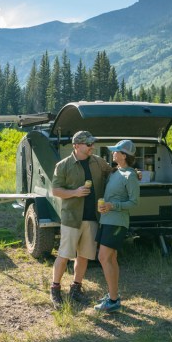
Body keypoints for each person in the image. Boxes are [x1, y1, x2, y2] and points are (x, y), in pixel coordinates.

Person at [50, 130, 112, 308]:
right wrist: (75, 193)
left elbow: (112, 172)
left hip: (92, 218)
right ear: (76, 146)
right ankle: (55, 289)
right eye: (88, 144)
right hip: (71, 219)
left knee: (84, 256)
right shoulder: (63, 165)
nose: (92, 147)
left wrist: (131, 172)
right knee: (64, 255)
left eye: (92, 143)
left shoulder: (98, 162)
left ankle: (76, 288)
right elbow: (56, 191)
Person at [95, 139, 140, 312]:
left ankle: (113, 301)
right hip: (107, 220)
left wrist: (113, 205)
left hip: (117, 222)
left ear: (124, 155)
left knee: (103, 257)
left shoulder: (131, 176)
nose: (113, 153)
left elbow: (134, 202)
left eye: (116, 151)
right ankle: (113, 295)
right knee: (111, 258)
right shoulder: (115, 172)